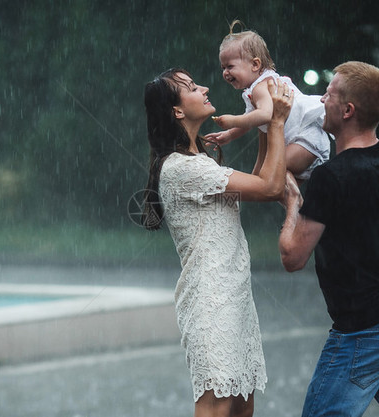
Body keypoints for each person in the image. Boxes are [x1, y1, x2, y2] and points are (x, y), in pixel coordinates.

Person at [278, 61, 379, 417]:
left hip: (367, 325)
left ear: (347, 111)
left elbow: (292, 257)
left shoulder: (331, 178)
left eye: (329, 94)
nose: (321, 99)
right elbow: (353, 207)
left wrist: (293, 204)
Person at [142, 68, 292, 417]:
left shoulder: (200, 161)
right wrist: (278, 123)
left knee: (241, 404)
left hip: (234, 295)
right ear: (177, 111)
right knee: (217, 406)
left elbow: (258, 182)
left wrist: (263, 124)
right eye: (193, 88)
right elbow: (271, 188)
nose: (205, 88)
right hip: (211, 298)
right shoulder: (181, 168)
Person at [204, 20, 332, 181]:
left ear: (255, 64)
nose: (225, 73)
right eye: (223, 68)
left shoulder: (261, 87)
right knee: (276, 180)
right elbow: (251, 118)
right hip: (304, 141)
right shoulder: (260, 85)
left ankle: (295, 200)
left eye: (230, 66)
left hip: (305, 141)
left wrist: (233, 120)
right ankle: (295, 201)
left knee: (271, 173)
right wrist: (230, 135)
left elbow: (264, 115)